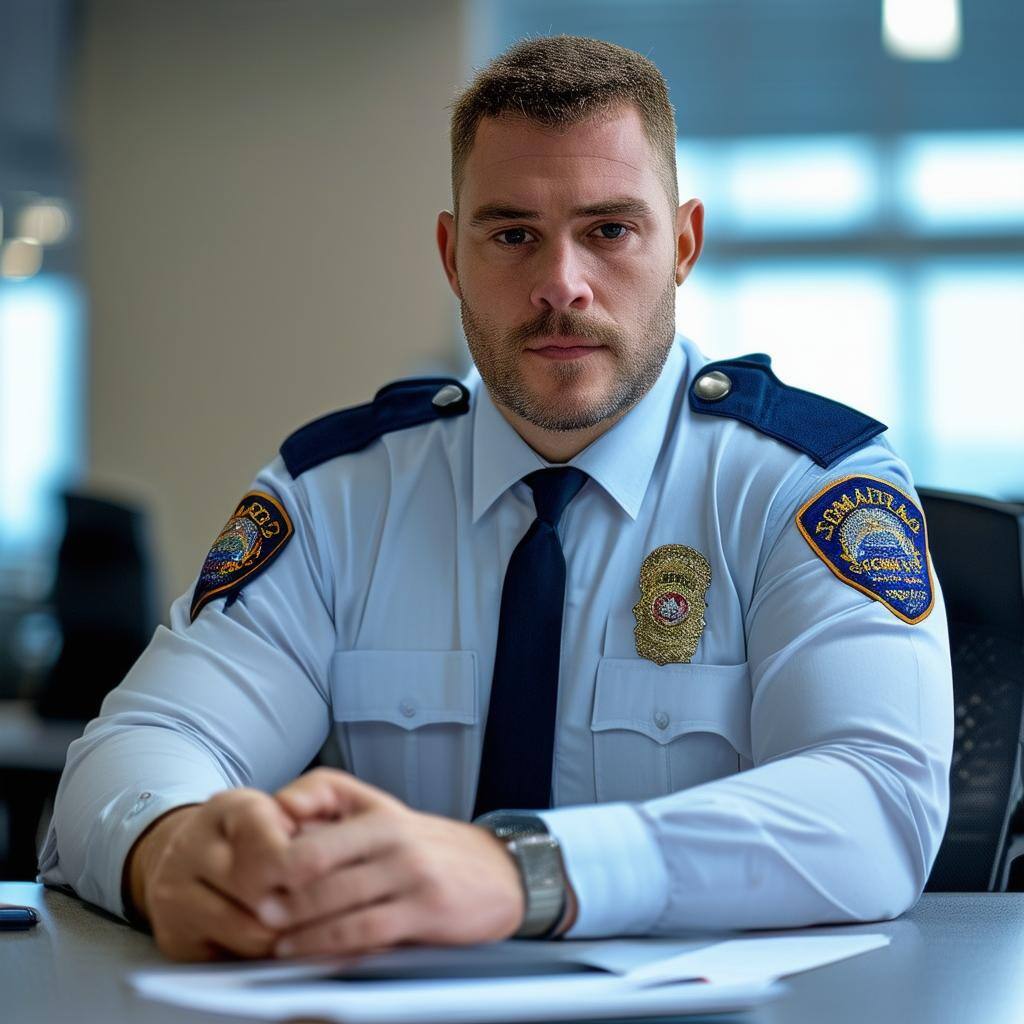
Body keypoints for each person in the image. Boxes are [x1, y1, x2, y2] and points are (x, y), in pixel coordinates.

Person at [39, 34, 953, 962]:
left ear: (683, 244)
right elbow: (136, 750)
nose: (561, 285)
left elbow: (877, 806)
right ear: (451, 254)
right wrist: (174, 853)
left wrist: (518, 872)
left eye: (609, 230)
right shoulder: (336, 497)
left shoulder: (807, 487)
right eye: (513, 234)